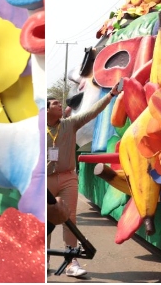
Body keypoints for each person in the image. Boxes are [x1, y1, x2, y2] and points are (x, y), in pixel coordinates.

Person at [46, 84, 120, 278]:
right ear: (45, 110)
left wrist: (111, 95)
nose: (60, 105)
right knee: (44, 220)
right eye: (55, 104)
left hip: (68, 177)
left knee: (69, 219)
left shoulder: (69, 124)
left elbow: (91, 112)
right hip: (44, 180)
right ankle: (43, 259)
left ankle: (71, 261)